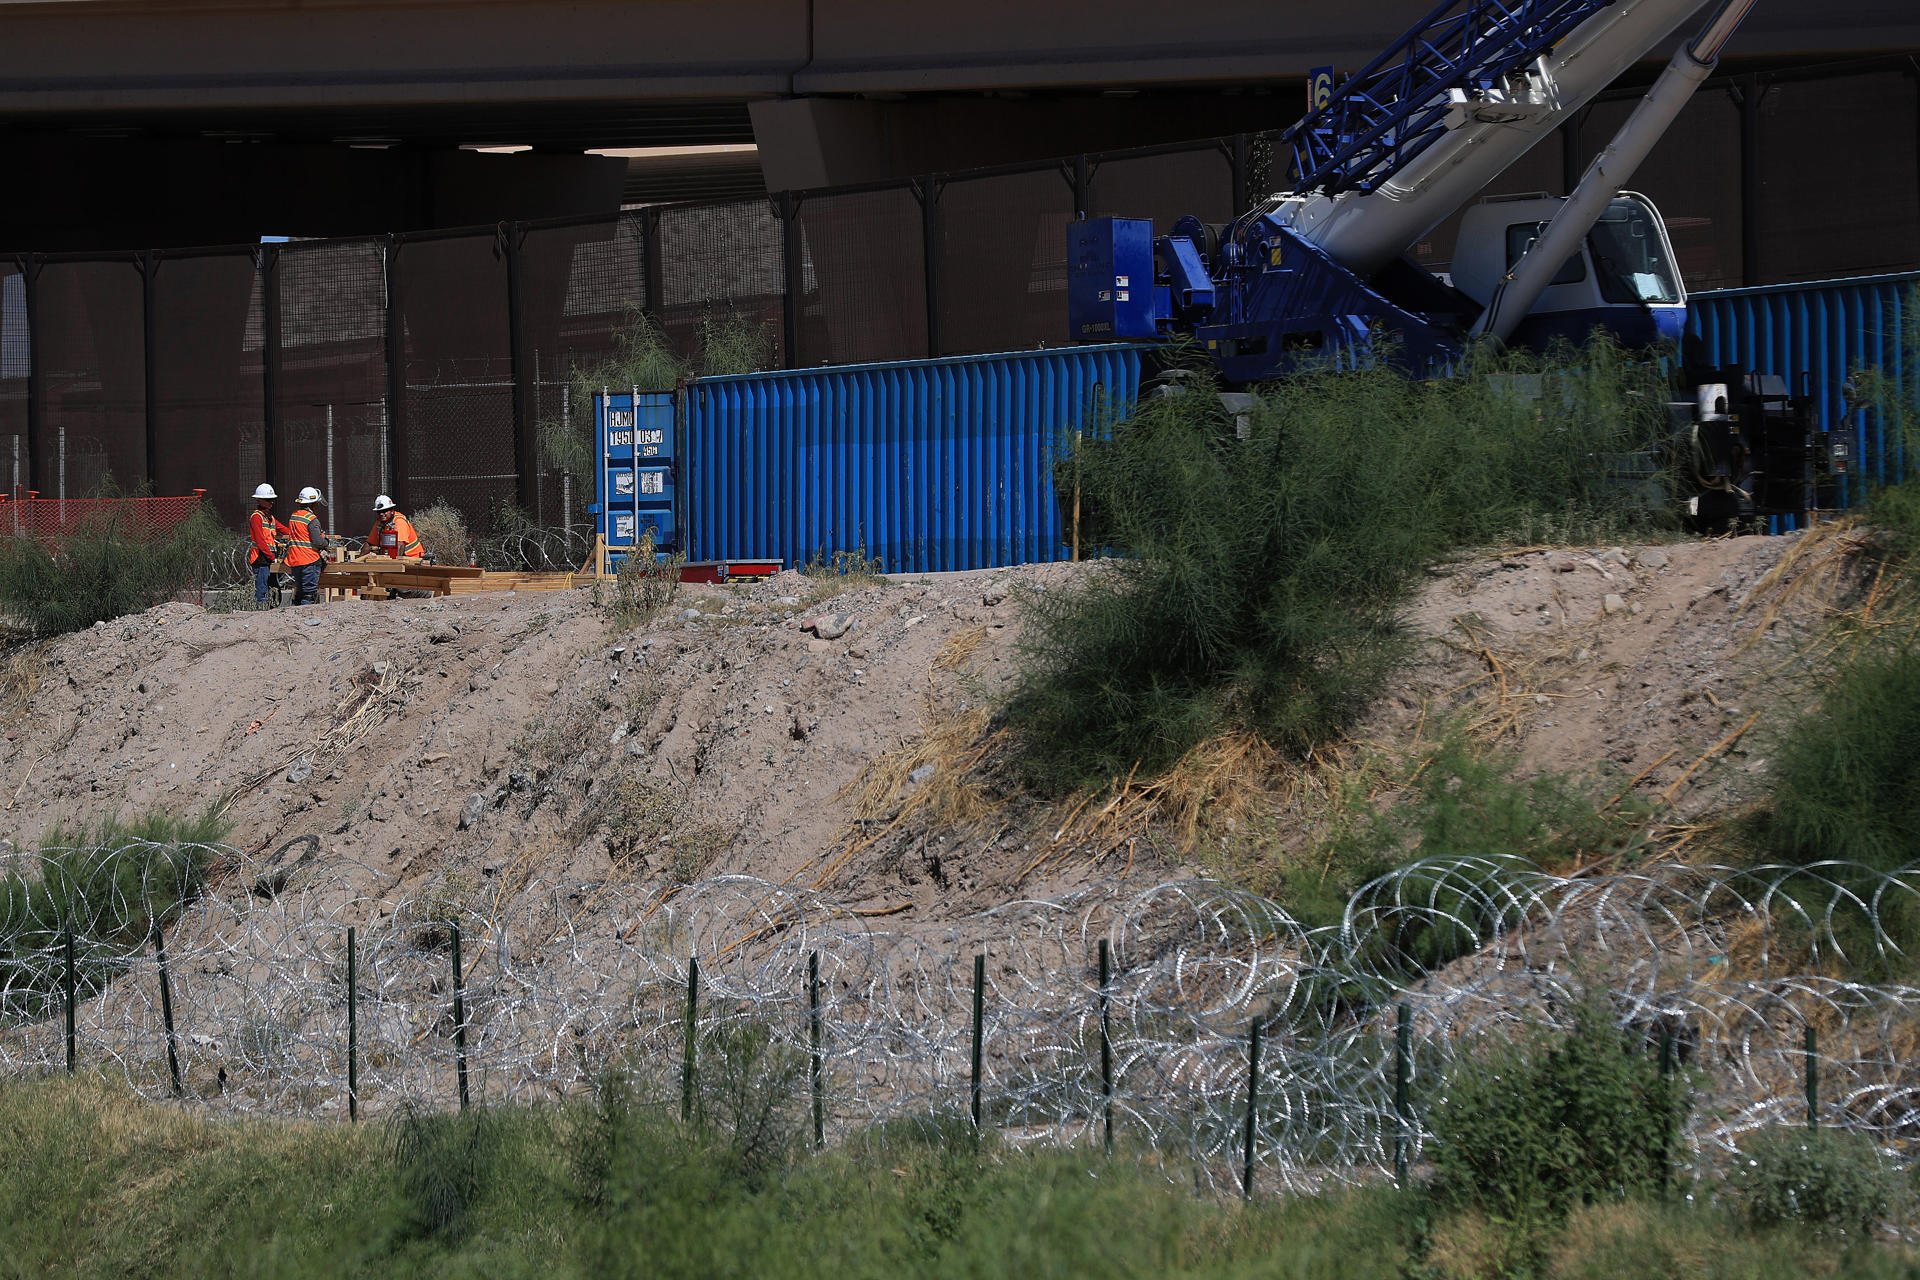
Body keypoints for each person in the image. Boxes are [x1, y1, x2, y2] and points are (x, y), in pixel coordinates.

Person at [284, 487, 331, 606]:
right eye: (317, 503)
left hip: (295, 560)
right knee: (309, 594)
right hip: (309, 560)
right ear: (312, 504)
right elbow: (318, 542)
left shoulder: (294, 516)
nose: (318, 507)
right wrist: (326, 541)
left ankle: (292, 618)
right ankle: (305, 620)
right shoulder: (311, 519)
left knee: (299, 594)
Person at [246, 483, 288, 604]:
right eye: (268, 500)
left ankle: (273, 611)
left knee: (275, 591)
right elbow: (260, 541)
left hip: (269, 559)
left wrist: (300, 534)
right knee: (263, 590)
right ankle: (262, 613)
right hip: (261, 559)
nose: (271, 502)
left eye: (272, 500)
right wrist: (271, 557)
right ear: (259, 500)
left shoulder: (270, 517)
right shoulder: (256, 517)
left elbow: (284, 530)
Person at [367, 494, 423, 559]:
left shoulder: (399, 522)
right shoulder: (379, 523)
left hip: (414, 559)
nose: (381, 514)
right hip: (397, 559)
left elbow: (400, 545)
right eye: (379, 512)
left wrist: (394, 564)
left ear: (391, 510)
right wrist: (357, 562)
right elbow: (369, 544)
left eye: (384, 511)